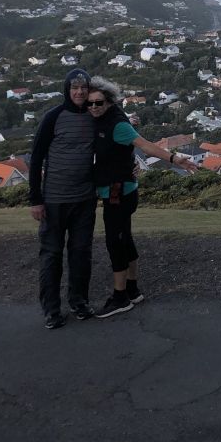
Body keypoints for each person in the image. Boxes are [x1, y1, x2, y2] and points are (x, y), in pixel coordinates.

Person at [86, 76, 177, 318]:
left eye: (99, 102)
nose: (94, 107)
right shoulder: (101, 119)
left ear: (109, 101)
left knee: (114, 242)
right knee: (124, 237)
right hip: (120, 188)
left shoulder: (117, 124)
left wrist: (175, 159)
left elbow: (145, 145)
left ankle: (120, 296)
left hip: (119, 192)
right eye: (90, 103)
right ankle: (133, 289)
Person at [29, 68, 98, 329]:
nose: (79, 92)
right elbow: (36, 158)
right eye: (74, 88)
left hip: (84, 199)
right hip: (54, 199)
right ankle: (51, 309)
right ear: (67, 90)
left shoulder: (94, 114)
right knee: (51, 254)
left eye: (83, 87)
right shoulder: (53, 117)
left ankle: (79, 301)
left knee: (81, 252)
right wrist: (35, 198)